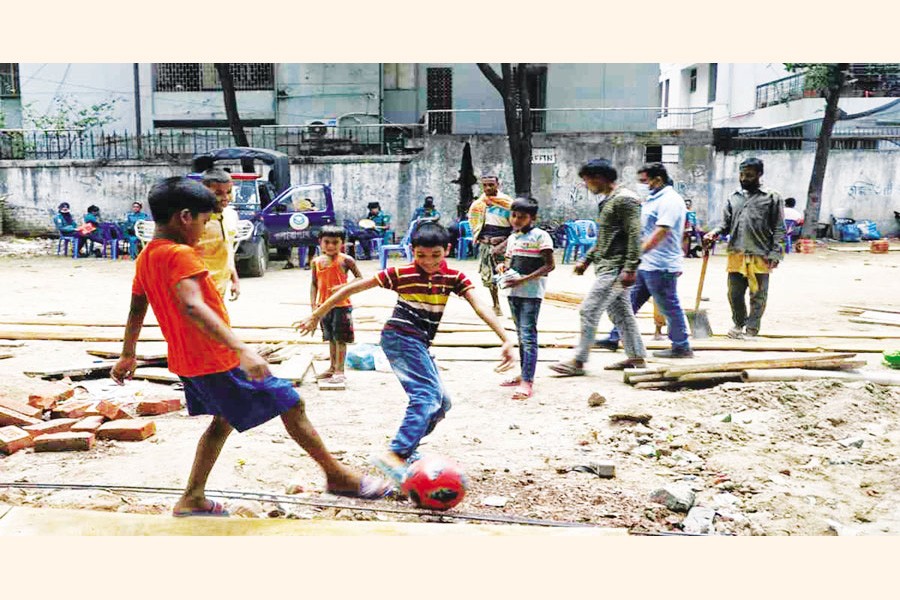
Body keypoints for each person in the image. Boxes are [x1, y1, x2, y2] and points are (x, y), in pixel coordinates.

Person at [110, 177, 391, 517]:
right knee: (292, 402)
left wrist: (129, 352)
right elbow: (193, 306)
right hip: (216, 359)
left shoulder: (148, 256)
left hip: (189, 361)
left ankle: (193, 497)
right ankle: (337, 476)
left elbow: (137, 305)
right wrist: (242, 349)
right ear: (184, 217)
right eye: (203, 221)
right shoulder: (180, 254)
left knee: (222, 422)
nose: (203, 230)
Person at [294, 221, 514, 485]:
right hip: (399, 337)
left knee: (442, 402)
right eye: (421, 255)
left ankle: (407, 450)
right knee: (426, 396)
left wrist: (505, 338)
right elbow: (354, 287)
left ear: (447, 249)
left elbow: (480, 305)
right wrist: (317, 314)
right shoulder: (402, 273)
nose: (428, 262)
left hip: (419, 342)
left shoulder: (455, 278)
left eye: (435, 255)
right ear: (412, 251)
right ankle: (395, 454)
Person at [549, 158, 647, 375]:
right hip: (607, 265)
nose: (586, 185)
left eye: (587, 180)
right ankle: (636, 358)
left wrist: (631, 267)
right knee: (621, 314)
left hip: (616, 268)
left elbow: (635, 234)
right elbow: (606, 236)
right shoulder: (610, 201)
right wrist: (587, 259)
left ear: (599, 178)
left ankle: (578, 361)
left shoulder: (625, 200)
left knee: (589, 309)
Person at [593, 163, 693, 358]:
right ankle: (614, 337)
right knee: (630, 303)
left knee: (668, 305)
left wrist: (637, 253)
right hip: (647, 263)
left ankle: (681, 345)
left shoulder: (671, 200)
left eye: (644, 181)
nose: (642, 185)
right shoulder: (652, 199)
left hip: (661, 264)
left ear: (658, 179)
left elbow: (662, 230)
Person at [704, 157, 785, 340]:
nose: (743, 178)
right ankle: (738, 323)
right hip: (736, 253)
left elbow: (780, 228)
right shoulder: (734, 198)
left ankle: (751, 329)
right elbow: (725, 224)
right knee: (734, 294)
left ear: (759, 174)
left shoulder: (772, 197)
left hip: (760, 254)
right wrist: (714, 233)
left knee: (758, 295)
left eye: (748, 175)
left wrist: (776, 253)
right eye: (741, 174)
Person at [496, 197, 555, 400]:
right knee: (521, 335)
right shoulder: (513, 238)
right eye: (513, 215)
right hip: (513, 292)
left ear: (533, 217)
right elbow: (509, 260)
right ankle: (524, 374)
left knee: (528, 336)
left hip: (531, 293)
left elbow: (549, 265)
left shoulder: (541, 236)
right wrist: (503, 268)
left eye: (522, 217)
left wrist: (523, 280)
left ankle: (527, 381)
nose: (516, 220)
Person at [310, 226, 363, 384]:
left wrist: (343, 287)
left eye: (335, 242)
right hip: (324, 306)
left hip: (342, 305)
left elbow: (360, 278)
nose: (331, 246)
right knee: (331, 338)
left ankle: (340, 370)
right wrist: (314, 305)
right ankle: (332, 367)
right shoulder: (316, 262)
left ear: (342, 243)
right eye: (326, 242)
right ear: (320, 242)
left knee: (340, 339)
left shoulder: (346, 260)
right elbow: (313, 284)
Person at [467, 175, 513, 316]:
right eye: (485, 185)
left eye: (491, 185)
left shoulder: (508, 203)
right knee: (489, 276)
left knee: (509, 275)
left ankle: (513, 308)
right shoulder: (479, 204)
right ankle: (496, 305)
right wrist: (481, 238)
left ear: (498, 184)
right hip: (486, 243)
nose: (488, 188)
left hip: (504, 243)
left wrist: (505, 242)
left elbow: (515, 226)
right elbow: (474, 223)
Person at [196, 168, 241, 300]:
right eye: (218, 193)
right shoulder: (194, 221)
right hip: (198, 292)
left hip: (220, 289)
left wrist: (235, 279)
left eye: (229, 192)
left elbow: (228, 251)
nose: (226, 198)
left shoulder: (231, 215)